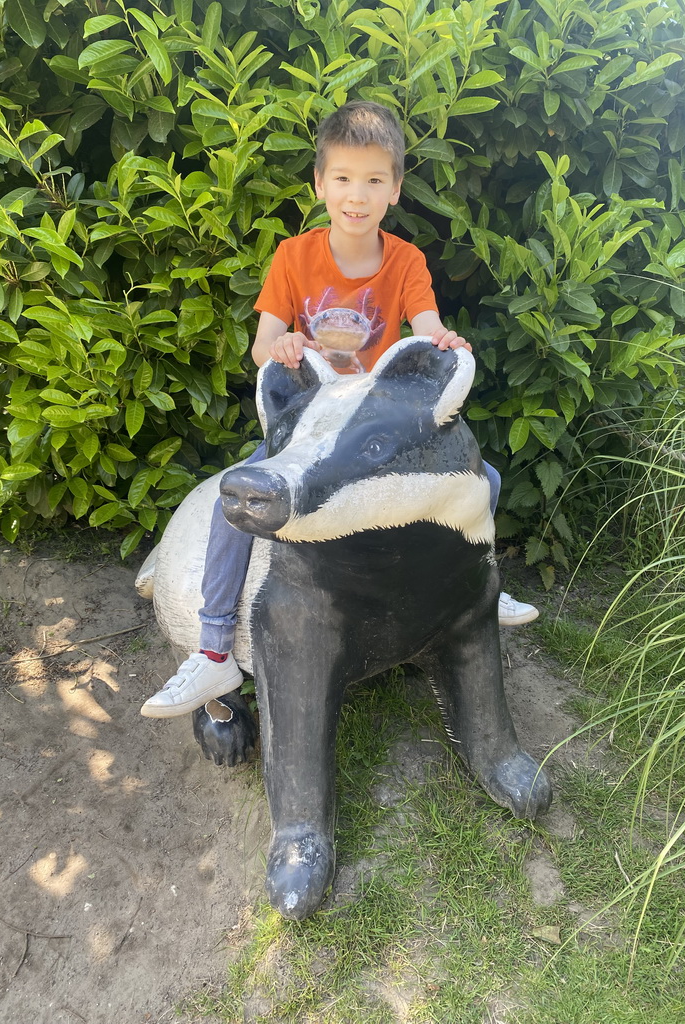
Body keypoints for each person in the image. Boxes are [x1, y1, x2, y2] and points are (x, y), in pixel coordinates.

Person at [141, 102, 538, 719]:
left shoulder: (405, 261)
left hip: (372, 422)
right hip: (315, 418)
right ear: (321, 184)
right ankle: (215, 650)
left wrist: (444, 340)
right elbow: (262, 345)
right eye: (345, 179)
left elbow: (426, 325)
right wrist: (284, 344)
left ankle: (479, 590)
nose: (358, 195)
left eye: (375, 180)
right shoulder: (294, 257)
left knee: (484, 479)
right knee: (231, 508)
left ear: (396, 189)